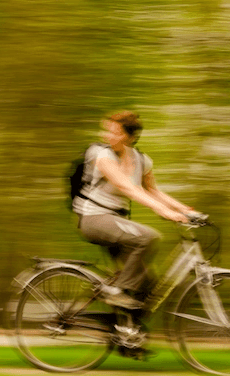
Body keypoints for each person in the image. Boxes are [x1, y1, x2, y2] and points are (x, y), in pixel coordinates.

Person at [72, 111, 197, 311]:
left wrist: (185, 210)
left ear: (130, 137)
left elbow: (153, 191)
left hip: (117, 223)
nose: (107, 136)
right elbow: (127, 187)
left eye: (115, 133)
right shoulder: (102, 155)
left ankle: (126, 335)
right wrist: (165, 212)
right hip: (94, 218)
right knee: (149, 237)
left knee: (147, 285)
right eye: (107, 131)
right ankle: (116, 293)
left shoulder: (142, 160)